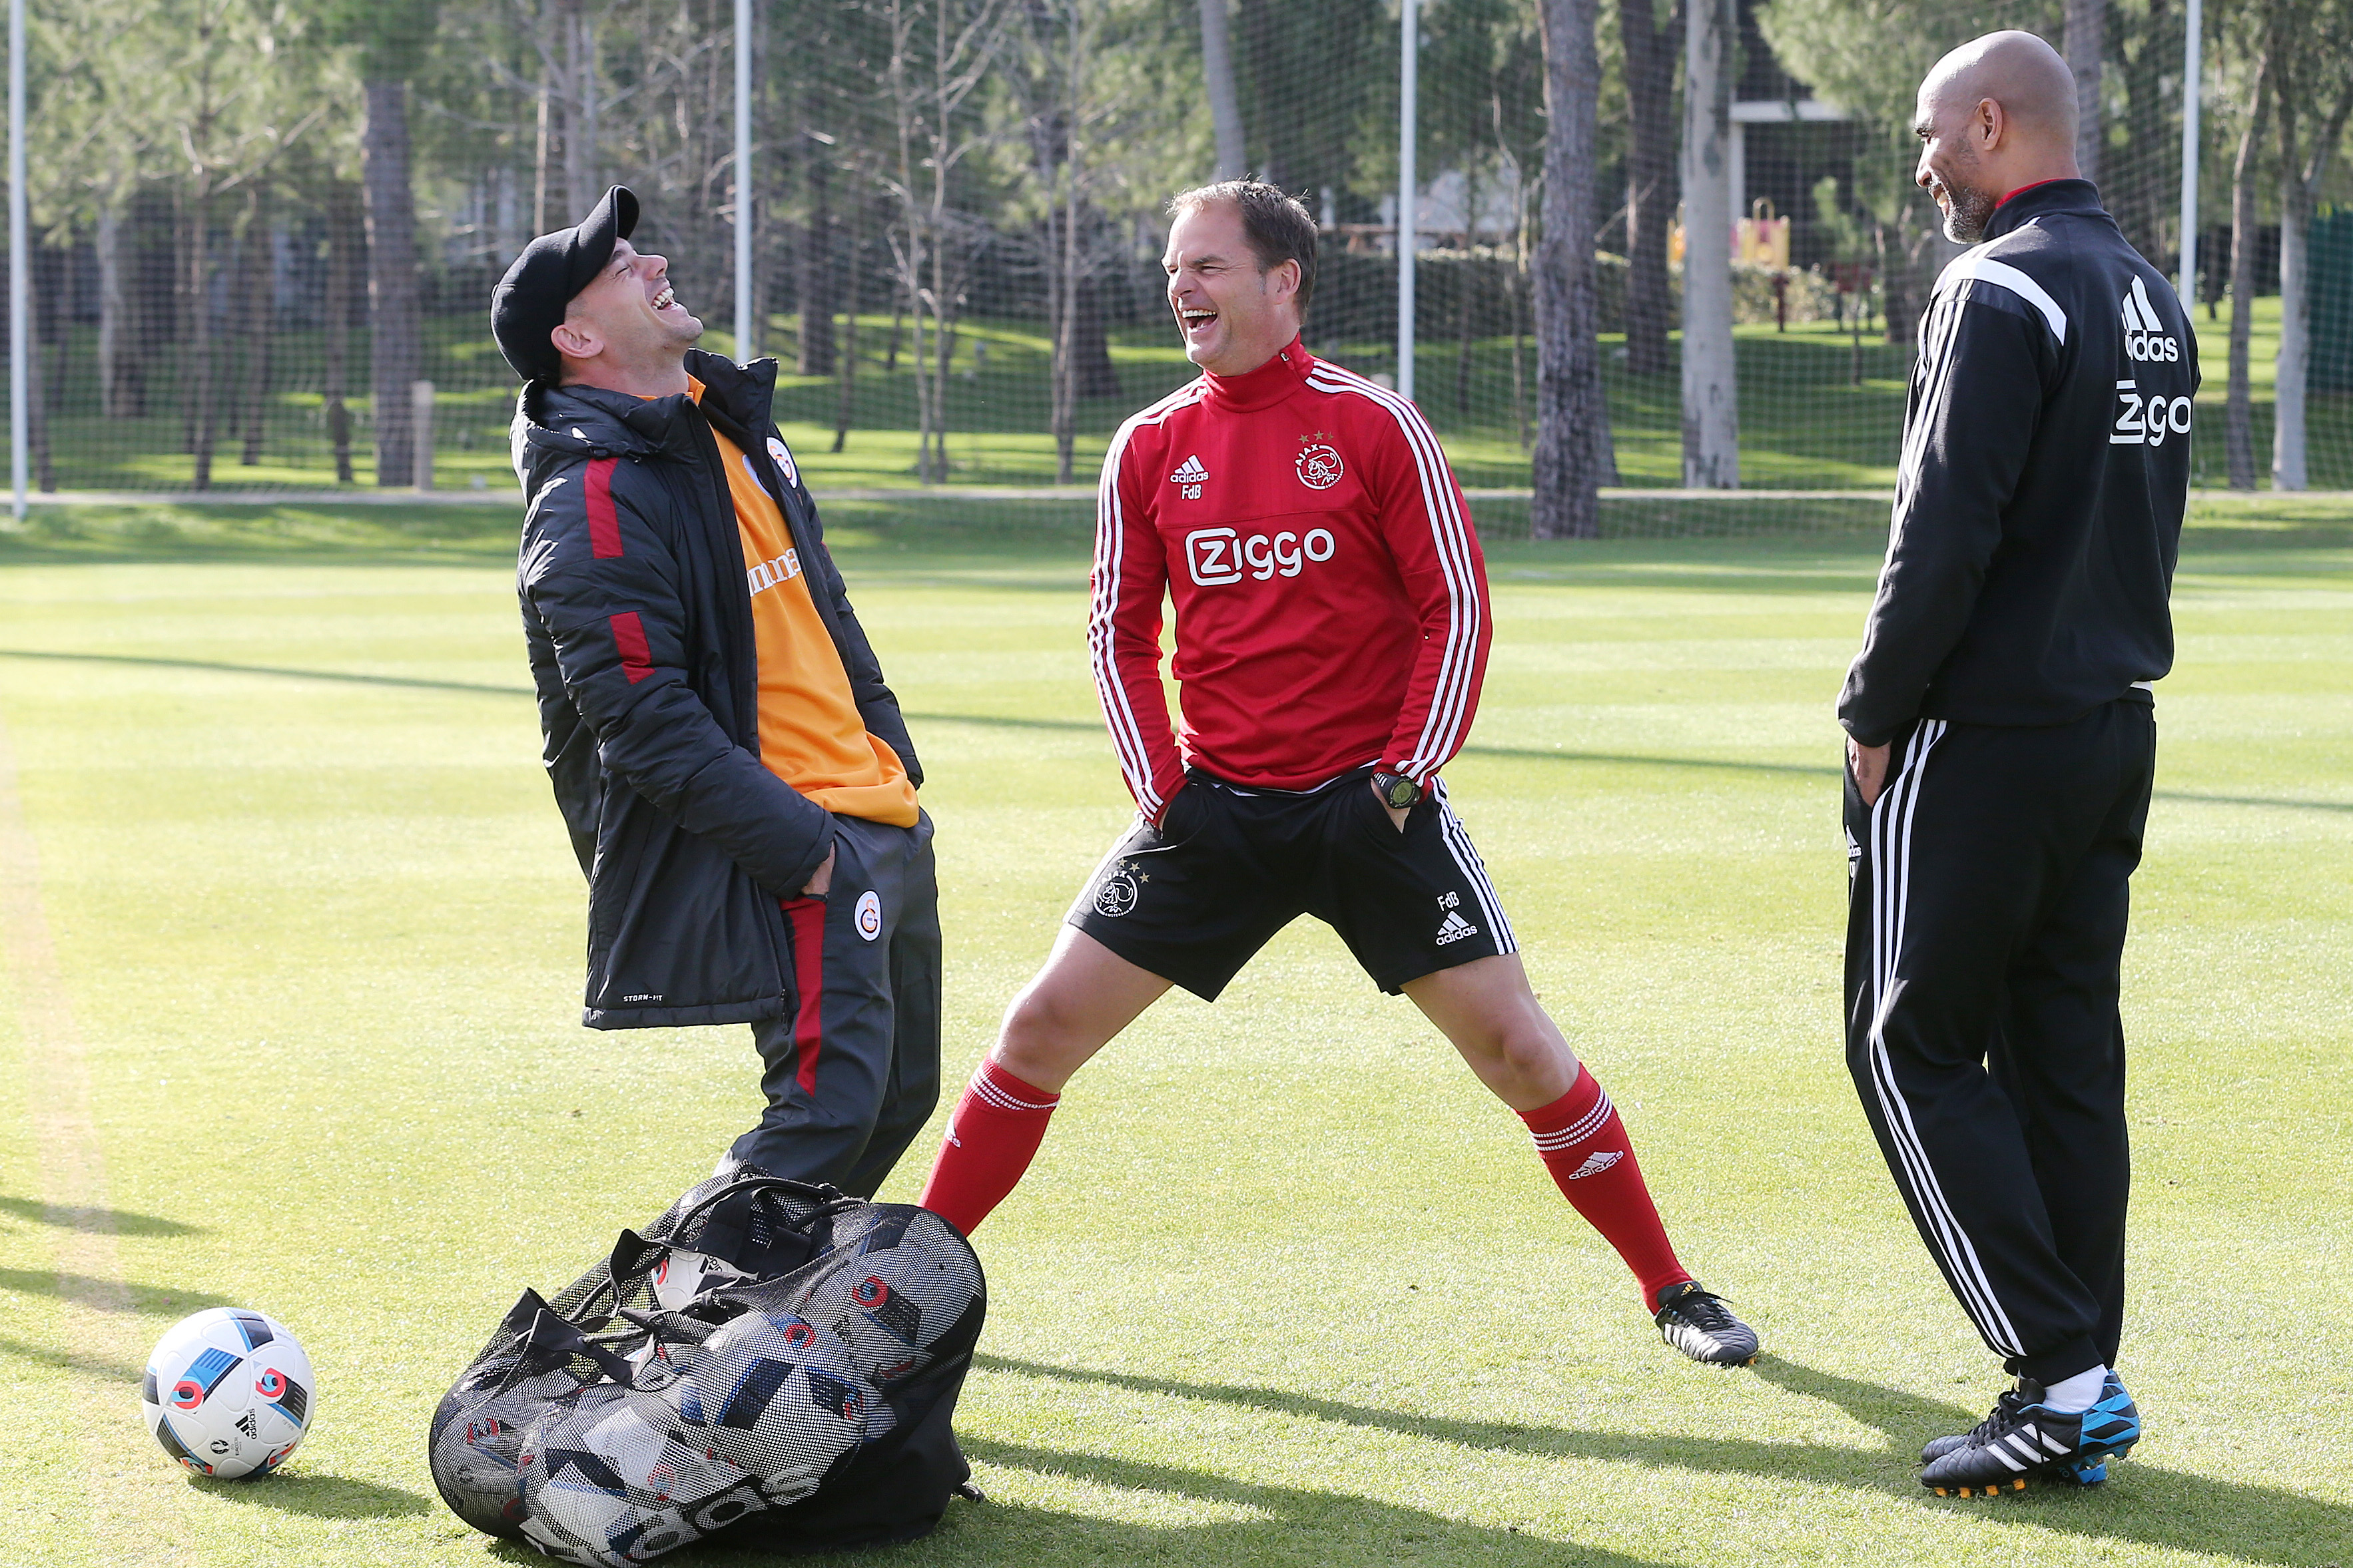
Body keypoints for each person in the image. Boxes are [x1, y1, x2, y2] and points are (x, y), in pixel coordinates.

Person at [914, 180, 1760, 1367]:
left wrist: (1403, 781)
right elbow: (1117, 632)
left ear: (1281, 280)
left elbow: (1451, 609)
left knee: (1521, 1053)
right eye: (1173, 267)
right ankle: (902, 1293)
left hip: (1371, 810)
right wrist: (1164, 792)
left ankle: (1670, 1288)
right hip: (1213, 812)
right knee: (1038, 1030)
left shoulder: (1372, 425)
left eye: (1206, 265)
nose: (1180, 287)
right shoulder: (1150, 442)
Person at [1840, 33, 2196, 1495]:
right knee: (2063, 1054)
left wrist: (1871, 713)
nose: (1923, 162)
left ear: (1991, 124)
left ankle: (2059, 1372)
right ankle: (2080, 1376)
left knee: (1902, 1039)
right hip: (2110, 729)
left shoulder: (1996, 283)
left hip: (1982, 735)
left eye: (1931, 134)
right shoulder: (2156, 299)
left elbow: (1943, 530)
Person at [493, 186, 940, 1196]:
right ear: (576, 335)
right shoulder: (588, 502)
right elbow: (643, 724)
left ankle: (782, 1328)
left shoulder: (726, 425)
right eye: (621, 268)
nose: (652, 266)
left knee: (895, 1099)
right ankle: (662, 1331)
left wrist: (894, 766)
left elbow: (824, 610)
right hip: (802, 840)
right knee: (824, 1116)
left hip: (879, 816)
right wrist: (810, 856)